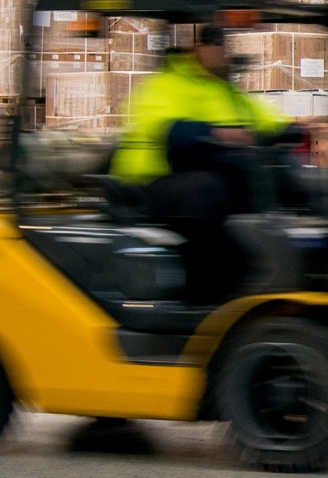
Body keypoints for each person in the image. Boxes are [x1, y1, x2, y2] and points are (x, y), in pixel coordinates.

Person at [109, 24, 291, 300]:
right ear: (200, 48)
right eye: (221, 45)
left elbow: (264, 120)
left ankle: (271, 272)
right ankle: (207, 291)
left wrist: (296, 128)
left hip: (200, 175)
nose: (228, 53)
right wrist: (218, 133)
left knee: (284, 177)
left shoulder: (223, 89)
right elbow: (169, 130)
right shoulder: (165, 85)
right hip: (151, 181)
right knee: (207, 191)